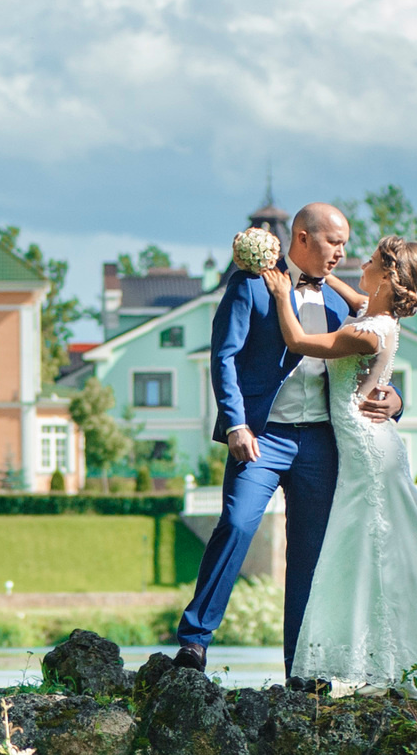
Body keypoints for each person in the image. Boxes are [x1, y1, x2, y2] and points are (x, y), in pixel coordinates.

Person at [257, 238, 417, 707]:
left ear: (387, 277)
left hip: (366, 449)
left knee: (374, 550)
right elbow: (356, 298)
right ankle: (384, 660)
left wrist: (282, 294)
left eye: (372, 262)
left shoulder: (366, 332)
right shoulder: (376, 316)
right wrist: (317, 277)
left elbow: (299, 342)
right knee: (381, 548)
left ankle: (385, 661)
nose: (360, 263)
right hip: (372, 446)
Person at [171, 202, 400, 675]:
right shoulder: (251, 283)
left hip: (321, 442)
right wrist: (236, 424)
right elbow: (225, 357)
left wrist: (396, 401)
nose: (342, 253)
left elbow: (376, 360)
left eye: (345, 244)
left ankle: (301, 667)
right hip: (260, 436)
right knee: (235, 524)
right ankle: (194, 643)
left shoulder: (343, 302)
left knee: (309, 555)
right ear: (302, 238)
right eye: (334, 242)